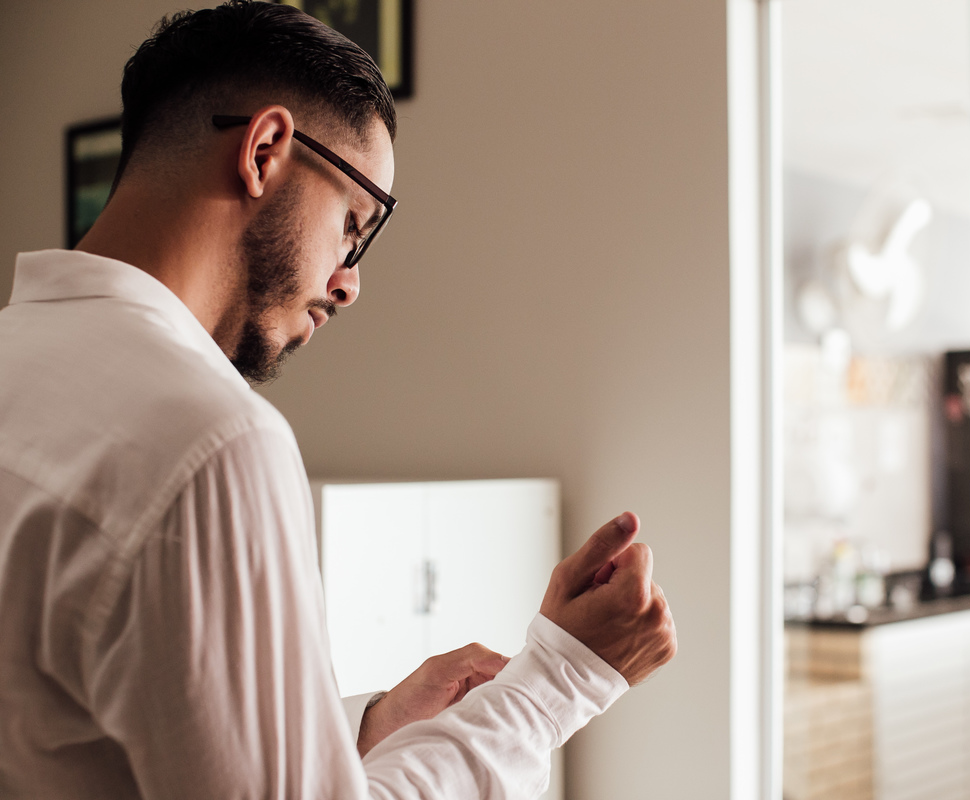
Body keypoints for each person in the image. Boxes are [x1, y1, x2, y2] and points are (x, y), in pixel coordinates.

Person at [0, 2, 676, 797]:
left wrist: (363, 725)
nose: (349, 283)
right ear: (264, 150)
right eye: (354, 226)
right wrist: (561, 680)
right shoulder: (210, 443)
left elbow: (83, 736)